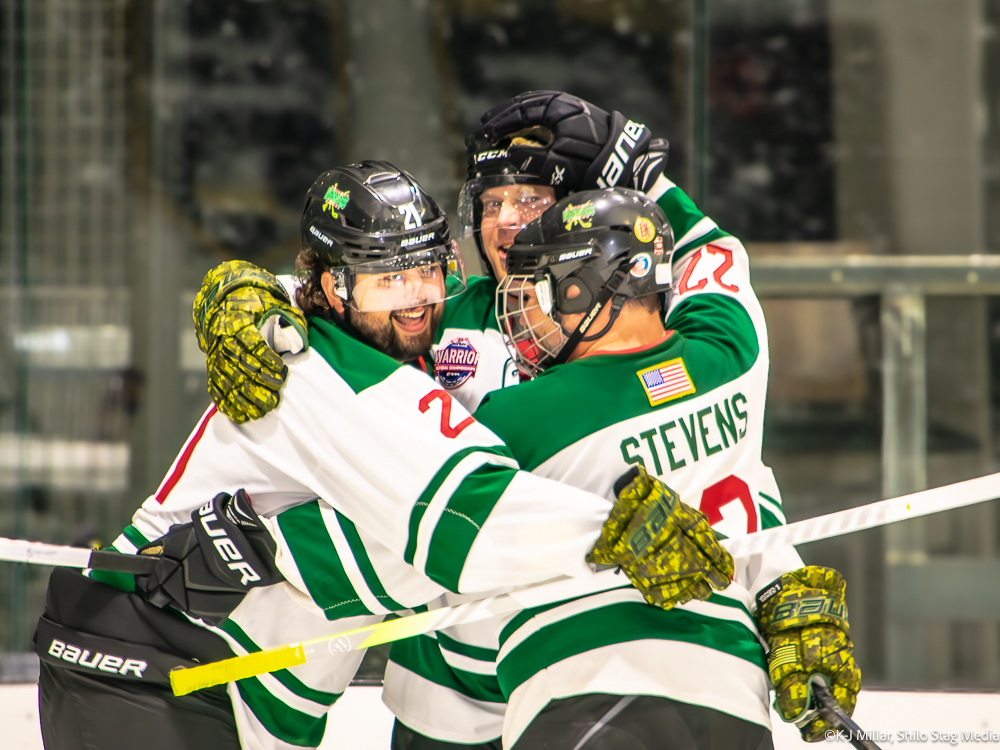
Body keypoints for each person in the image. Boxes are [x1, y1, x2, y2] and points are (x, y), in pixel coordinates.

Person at [36, 161, 726, 750]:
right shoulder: (327, 372)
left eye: (429, 267)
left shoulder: (360, 355)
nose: (422, 297)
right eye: (390, 278)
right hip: (154, 672)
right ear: (335, 286)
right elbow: (471, 523)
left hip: (194, 683)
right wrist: (615, 533)